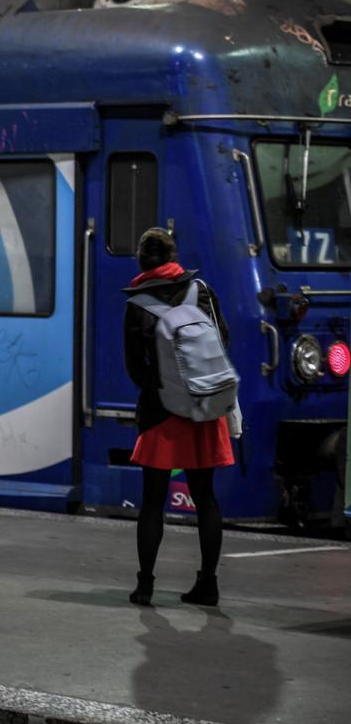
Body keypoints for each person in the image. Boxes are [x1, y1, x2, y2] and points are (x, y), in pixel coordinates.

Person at [123, 227, 240, 607]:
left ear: (141, 260)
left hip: (162, 416)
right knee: (205, 497)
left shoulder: (137, 303)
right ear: (174, 257)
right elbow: (223, 340)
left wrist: (161, 388)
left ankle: (145, 585)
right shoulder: (201, 291)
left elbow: (134, 367)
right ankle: (208, 583)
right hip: (204, 412)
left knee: (153, 501)